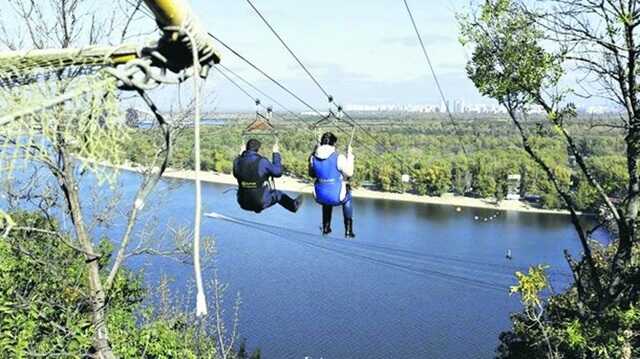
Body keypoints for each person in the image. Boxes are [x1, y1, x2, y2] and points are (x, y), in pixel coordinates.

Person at [233, 138, 302, 213]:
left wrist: (240, 154)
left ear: (246, 148)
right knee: (278, 194)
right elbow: (278, 172)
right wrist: (276, 153)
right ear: (258, 149)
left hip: (243, 203)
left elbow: (236, 172)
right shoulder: (262, 162)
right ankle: (293, 206)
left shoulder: (237, 162)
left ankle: (257, 207)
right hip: (259, 202)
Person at [309, 132, 355, 238]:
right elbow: (349, 173)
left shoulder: (313, 158)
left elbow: (311, 174)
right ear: (333, 144)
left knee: (327, 198)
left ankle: (326, 227)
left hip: (319, 196)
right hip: (336, 196)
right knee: (347, 196)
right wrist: (350, 157)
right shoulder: (339, 157)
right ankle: (348, 230)